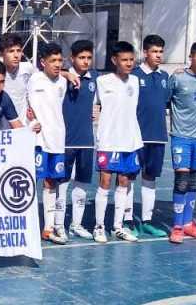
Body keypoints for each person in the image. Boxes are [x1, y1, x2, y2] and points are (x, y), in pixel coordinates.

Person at [92, 41, 144, 243]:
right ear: (114, 60)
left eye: (131, 59)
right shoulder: (102, 81)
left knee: (124, 182)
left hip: (130, 140)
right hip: (108, 140)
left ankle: (118, 226)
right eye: (124, 60)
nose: (129, 63)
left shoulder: (135, 81)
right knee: (105, 182)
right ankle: (99, 226)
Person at [165, 41, 196, 244]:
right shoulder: (177, 78)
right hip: (181, 137)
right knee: (182, 180)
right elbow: (164, 101)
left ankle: (188, 224)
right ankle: (177, 226)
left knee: (194, 181)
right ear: (191, 57)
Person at [129, 35, 170, 238]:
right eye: (154, 51)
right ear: (145, 52)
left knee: (150, 179)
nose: (158, 55)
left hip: (158, 137)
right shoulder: (134, 75)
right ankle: (127, 220)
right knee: (127, 178)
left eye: (161, 52)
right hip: (136, 137)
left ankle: (146, 221)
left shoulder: (165, 77)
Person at [28, 43, 69, 244]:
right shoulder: (33, 78)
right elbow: (26, 104)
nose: (57, 64)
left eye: (60, 61)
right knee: (32, 181)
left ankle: (48, 227)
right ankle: (28, 223)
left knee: (52, 182)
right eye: (52, 61)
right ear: (42, 62)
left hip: (57, 139)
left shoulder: (63, 82)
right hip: (37, 139)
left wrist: (68, 74)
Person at [62, 40, 98, 240]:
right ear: (72, 59)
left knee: (82, 184)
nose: (86, 61)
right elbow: (43, 72)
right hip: (65, 141)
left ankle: (76, 224)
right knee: (62, 183)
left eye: (89, 58)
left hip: (86, 141)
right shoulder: (61, 77)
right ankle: (59, 224)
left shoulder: (96, 79)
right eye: (81, 58)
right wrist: (66, 73)